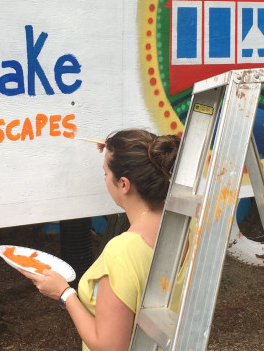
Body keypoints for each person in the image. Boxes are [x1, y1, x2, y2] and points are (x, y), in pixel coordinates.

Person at [20, 128, 180, 351]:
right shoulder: (183, 226)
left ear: (124, 184)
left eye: (105, 173)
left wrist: (64, 294)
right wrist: (120, 149)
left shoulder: (123, 252)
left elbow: (110, 347)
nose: (104, 179)